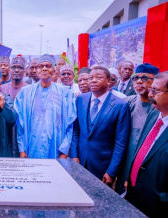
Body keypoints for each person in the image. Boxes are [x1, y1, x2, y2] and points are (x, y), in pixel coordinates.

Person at [70, 66, 131, 186]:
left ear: (109, 81)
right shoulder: (81, 99)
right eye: (90, 78)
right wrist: (74, 155)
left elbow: (121, 142)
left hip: (103, 165)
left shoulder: (120, 105)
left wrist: (111, 171)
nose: (93, 80)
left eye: (98, 77)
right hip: (80, 161)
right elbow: (76, 130)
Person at [14, 54, 76, 159]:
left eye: (48, 66)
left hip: (56, 150)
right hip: (31, 148)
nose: (44, 69)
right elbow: (20, 123)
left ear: (54, 70)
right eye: (41, 66)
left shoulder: (65, 93)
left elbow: (70, 125)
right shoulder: (25, 93)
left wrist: (64, 151)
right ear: (36, 70)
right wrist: (22, 149)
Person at [125, 72, 168, 217]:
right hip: (135, 194)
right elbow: (143, 150)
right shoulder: (154, 114)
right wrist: (131, 178)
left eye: (156, 91)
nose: (150, 95)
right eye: (151, 90)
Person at [116, 63, 158, 194]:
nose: (139, 81)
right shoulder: (127, 102)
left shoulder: (160, 106)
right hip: (126, 159)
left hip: (149, 163)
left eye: (145, 78)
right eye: (136, 78)